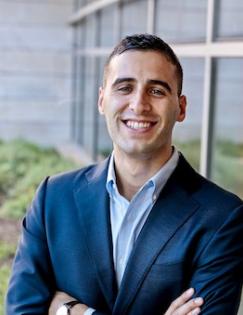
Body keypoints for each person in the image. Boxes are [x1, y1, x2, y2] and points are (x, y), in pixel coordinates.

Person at [5, 34, 243, 315]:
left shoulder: (222, 217)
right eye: (124, 88)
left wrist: (71, 311)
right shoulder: (53, 199)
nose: (139, 105)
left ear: (181, 108)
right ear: (102, 100)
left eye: (156, 91)